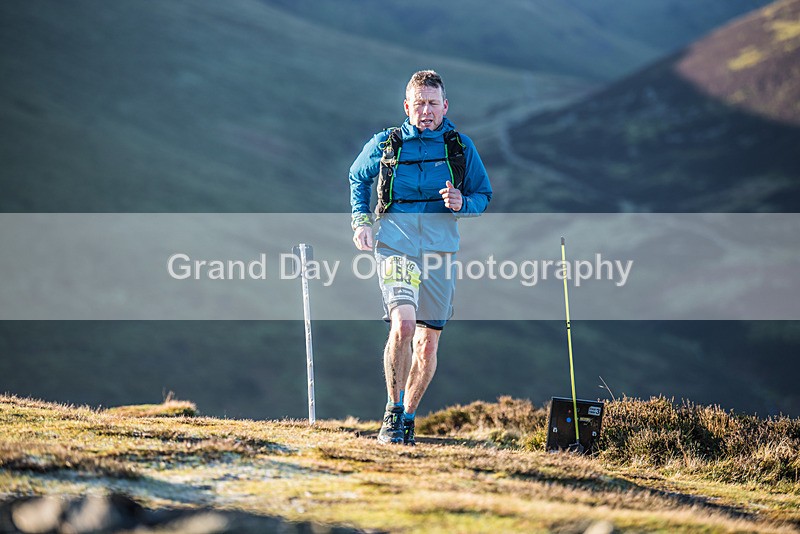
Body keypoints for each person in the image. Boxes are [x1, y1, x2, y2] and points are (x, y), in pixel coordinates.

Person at [349, 70, 492, 445]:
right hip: (395, 245)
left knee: (427, 344)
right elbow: (357, 177)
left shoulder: (460, 147)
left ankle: (409, 417)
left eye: (433, 103)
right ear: (406, 106)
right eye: (419, 103)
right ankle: (392, 412)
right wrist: (361, 221)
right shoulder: (386, 144)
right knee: (404, 325)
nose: (426, 111)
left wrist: (464, 203)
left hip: (440, 251)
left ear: (445, 106)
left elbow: (482, 194)